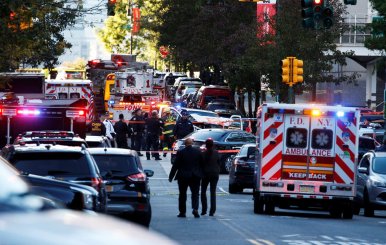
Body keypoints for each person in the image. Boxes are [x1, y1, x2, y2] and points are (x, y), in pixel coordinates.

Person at [169, 138, 204, 218]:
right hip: (195, 176)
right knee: (195, 194)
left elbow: (176, 165)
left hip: (183, 176)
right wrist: (201, 174)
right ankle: (195, 208)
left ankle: (182, 212)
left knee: (182, 194)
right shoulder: (198, 152)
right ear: (192, 144)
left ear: (185, 144)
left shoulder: (181, 152)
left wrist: (171, 176)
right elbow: (202, 164)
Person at [200, 138, 220, 216]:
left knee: (203, 192)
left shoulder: (203, 154)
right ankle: (212, 210)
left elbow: (200, 165)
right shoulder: (216, 153)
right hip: (214, 174)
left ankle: (204, 209)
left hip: (205, 174)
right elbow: (219, 163)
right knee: (213, 192)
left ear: (206, 145)